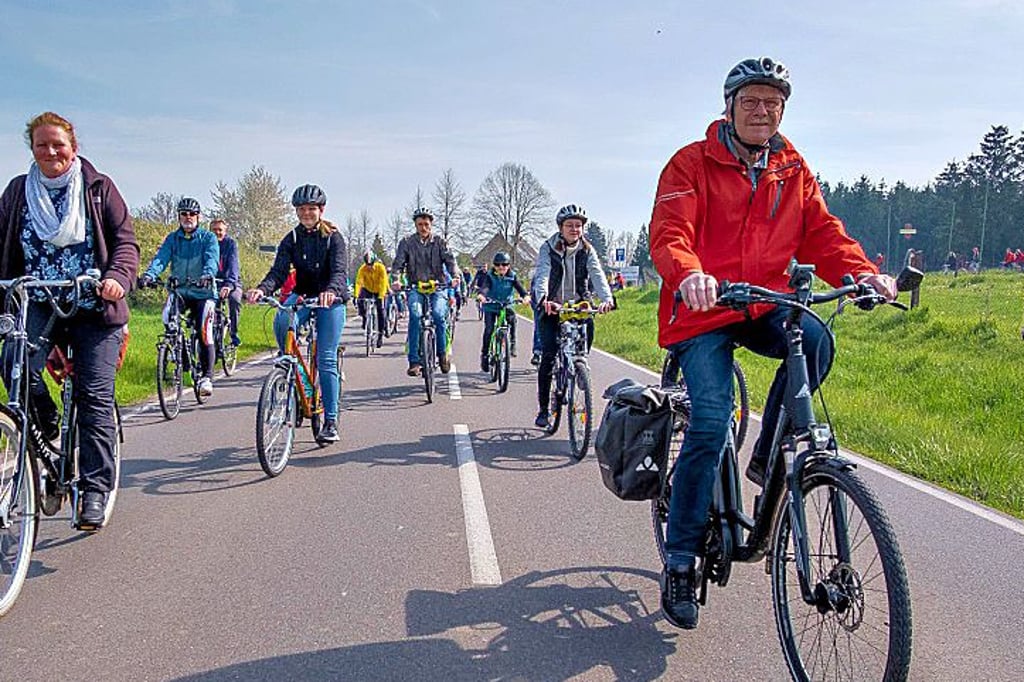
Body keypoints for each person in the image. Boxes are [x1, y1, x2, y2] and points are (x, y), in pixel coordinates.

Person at [649, 56, 897, 630]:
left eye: (773, 102)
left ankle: (769, 458)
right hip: (703, 310)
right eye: (751, 100)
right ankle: (682, 560)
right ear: (729, 106)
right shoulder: (690, 163)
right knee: (710, 424)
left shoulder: (792, 167)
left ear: (782, 110)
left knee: (816, 340)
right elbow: (670, 234)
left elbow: (823, 232)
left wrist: (863, 273)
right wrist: (689, 273)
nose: (762, 111)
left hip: (766, 302)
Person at [0, 111, 139, 528]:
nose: (50, 151)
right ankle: (43, 426)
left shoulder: (98, 188)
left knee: (93, 396)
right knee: (15, 365)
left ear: (73, 146)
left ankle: (94, 489)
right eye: (42, 144)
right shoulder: (18, 192)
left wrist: (116, 277)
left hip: (94, 305)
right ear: (32, 149)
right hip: (39, 300)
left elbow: (126, 243)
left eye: (58, 143)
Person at [246, 184, 348, 444]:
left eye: (311, 209)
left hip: (330, 300)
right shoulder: (291, 239)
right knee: (282, 319)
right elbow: (278, 272)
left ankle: (331, 420)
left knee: (325, 358)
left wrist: (332, 291)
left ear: (321, 210)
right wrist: (261, 289)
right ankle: (290, 369)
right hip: (303, 295)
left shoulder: (333, 238)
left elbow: (339, 272)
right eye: (301, 209)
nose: (306, 213)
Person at [531, 203, 614, 428]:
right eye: (570, 225)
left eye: (578, 226)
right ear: (561, 227)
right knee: (548, 354)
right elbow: (543, 275)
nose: (575, 229)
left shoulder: (587, 250)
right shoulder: (548, 248)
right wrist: (543, 300)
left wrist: (607, 299)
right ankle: (544, 409)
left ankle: (578, 364)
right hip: (553, 305)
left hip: (578, 303)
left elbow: (597, 274)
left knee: (589, 327)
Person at [140, 197, 219, 398]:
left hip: (204, 293)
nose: (188, 217)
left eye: (192, 214)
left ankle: (207, 377)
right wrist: (150, 275)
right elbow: (161, 258)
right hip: (180, 291)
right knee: (168, 319)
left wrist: (207, 275)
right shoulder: (172, 239)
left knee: (205, 331)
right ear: (179, 216)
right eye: (184, 214)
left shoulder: (208, 238)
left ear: (199, 216)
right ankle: (182, 355)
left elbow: (212, 258)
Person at [391, 207, 459, 376]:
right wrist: (397, 280)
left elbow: (451, 261)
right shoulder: (406, 243)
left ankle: (442, 354)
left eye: (426, 224)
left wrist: (455, 276)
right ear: (415, 225)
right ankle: (414, 361)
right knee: (415, 315)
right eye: (420, 224)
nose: (423, 227)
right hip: (416, 286)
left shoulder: (440, 242)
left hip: (438, 287)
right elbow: (398, 265)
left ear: (431, 224)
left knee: (438, 314)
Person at [476, 251, 528, 371]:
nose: (501, 267)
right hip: (491, 305)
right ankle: (485, 355)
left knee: (512, 319)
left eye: (504, 264)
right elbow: (485, 287)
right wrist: (482, 296)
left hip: (506, 305)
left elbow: (520, 289)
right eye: (498, 264)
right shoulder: (490, 276)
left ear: (508, 265)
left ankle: (513, 343)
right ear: (494, 266)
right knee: (489, 329)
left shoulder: (512, 276)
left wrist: (525, 296)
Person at [210, 218, 242, 346]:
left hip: (232, 281)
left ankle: (234, 333)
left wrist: (229, 285)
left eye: (220, 230)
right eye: (214, 230)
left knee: (234, 300)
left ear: (225, 231)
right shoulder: (207, 244)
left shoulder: (230, 244)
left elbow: (233, 266)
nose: (217, 232)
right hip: (213, 282)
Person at [354, 249, 389, 346]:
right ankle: (364, 316)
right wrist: (356, 295)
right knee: (360, 301)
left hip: (379, 290)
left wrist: (381, 296)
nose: (369, 267)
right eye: (367, 265)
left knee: (380, 310)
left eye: (371, 265)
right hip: (368, 289)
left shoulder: (380, 268)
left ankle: (380, 335)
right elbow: (358, 282)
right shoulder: (362, 269)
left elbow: (383, 283)